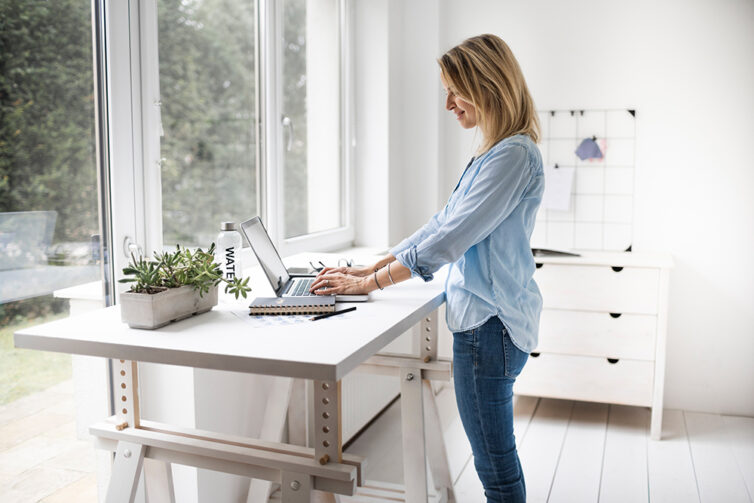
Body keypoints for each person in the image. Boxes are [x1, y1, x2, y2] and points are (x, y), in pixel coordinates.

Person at [310, 33, 543, 503]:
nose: (448, 105)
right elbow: (442, 222)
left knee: (494, 466)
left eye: (455, 91)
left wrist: (373, 282)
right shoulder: (493, 154)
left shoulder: (513, 154)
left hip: (489, 327)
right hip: (488, 324)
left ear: (487, 85)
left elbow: (453, 238)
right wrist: (373, 268)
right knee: (493, 458)